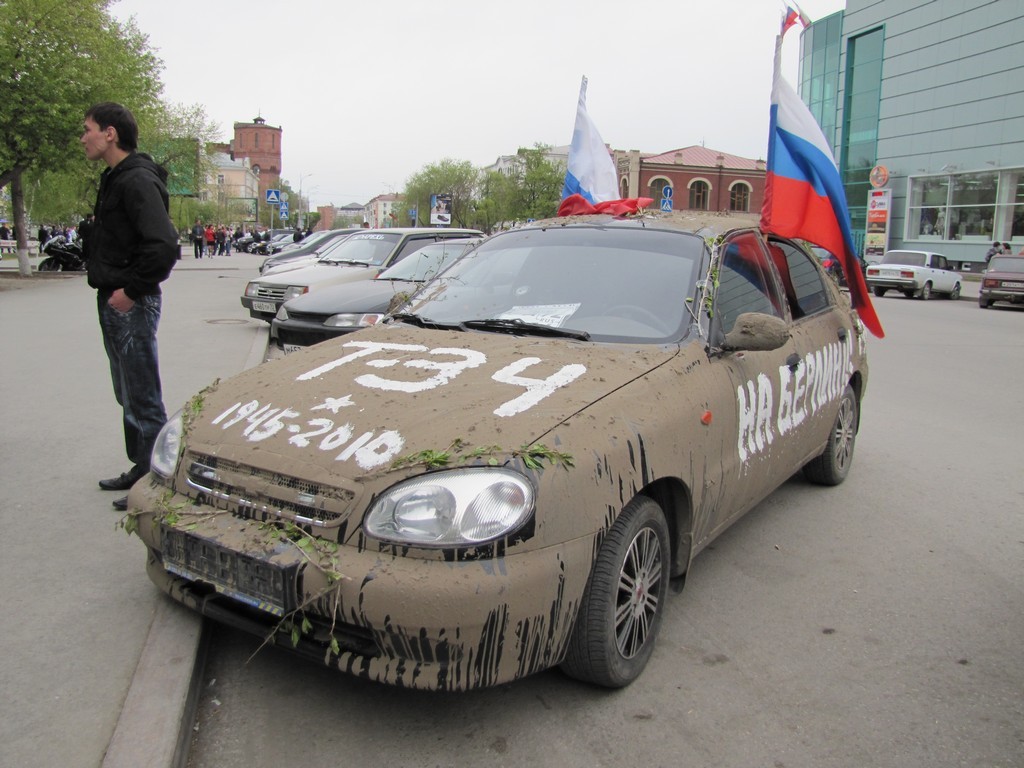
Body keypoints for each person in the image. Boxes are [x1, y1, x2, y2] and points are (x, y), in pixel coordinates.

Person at [80, 102, 178, 511]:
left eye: (87, 129)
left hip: (130, 301)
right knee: (128, 392)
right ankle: (142, 466)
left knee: (142, 394)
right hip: (116, 296)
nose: (82, 137)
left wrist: (131, 292)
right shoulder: (116, 178)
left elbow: (164, 247)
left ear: (110, 133)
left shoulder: (136, 180)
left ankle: (159, 483)